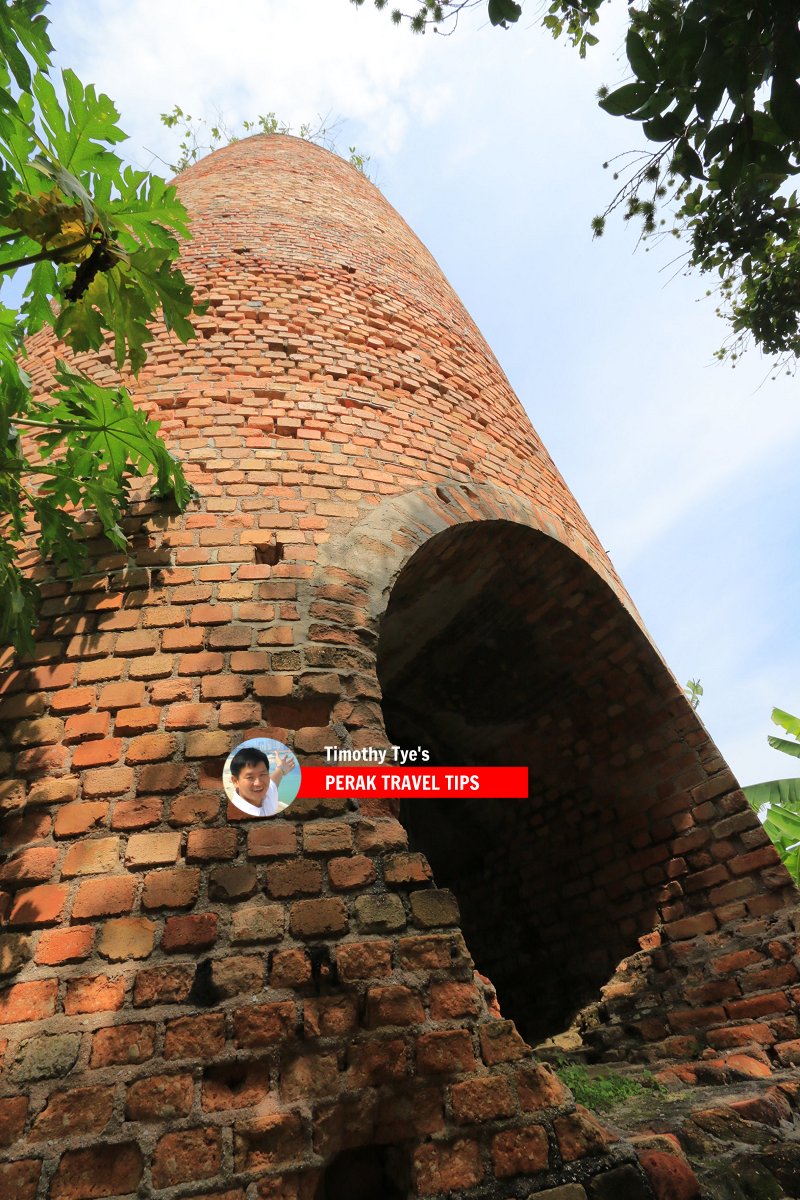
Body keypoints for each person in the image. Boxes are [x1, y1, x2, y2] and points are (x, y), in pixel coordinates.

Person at [228, 745, 297, 817]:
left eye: (262, 774)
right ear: (235, 781)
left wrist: (281, 768)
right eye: (250, 777)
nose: (258, 783)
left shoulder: (267, 794)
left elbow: (273, 782)